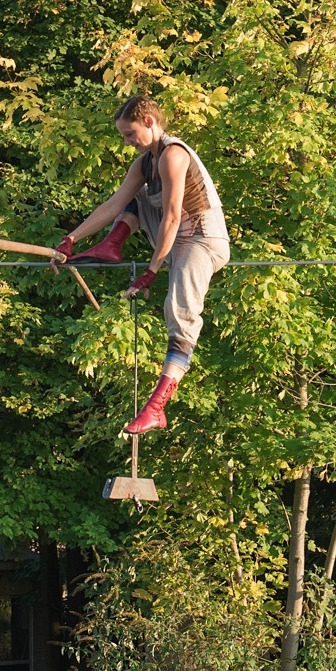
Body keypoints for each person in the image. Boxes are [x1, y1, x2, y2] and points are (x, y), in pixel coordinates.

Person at [53, 95, 231, 434]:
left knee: (179, 312)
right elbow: (113, 205)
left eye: (130, 133)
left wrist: (152, 271)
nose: (127, 142)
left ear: (149, 121)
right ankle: (110, 245)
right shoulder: (145, 163)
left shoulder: (173, 155)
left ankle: (157, 405)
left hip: (202, 239)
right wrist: (71, 239)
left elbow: (175, 216)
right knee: (133, 192)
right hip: (175, 238)